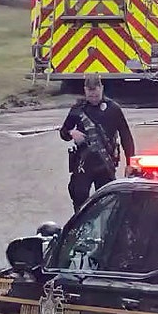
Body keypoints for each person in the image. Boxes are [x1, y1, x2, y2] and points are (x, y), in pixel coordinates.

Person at [58, 76, 136, 212]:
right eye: (90, 94)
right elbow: (63, 133)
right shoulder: (78, 110)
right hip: (83, 164)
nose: (93, 97)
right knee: (79, 196)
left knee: (107, 201)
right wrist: (72, 133)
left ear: (102, 89)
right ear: (85, 91)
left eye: (96, 94)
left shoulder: (113, 109)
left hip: (105, 163)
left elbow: (126, 136)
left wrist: (130, 162)